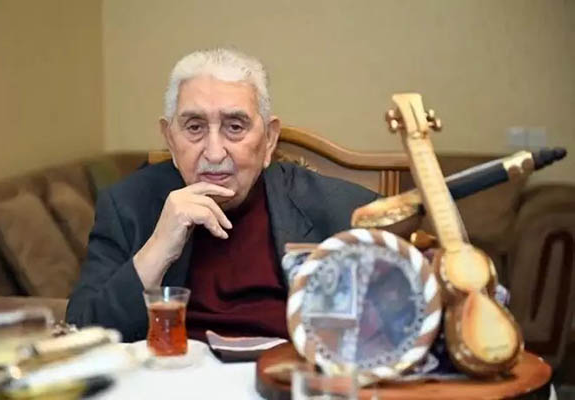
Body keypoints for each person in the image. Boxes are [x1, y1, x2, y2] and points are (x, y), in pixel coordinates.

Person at [66, 48, 378, 342]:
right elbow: (81, 332)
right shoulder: (126, 205)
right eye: (195, 127)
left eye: (235, 127)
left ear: (269, 140)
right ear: (170, 139)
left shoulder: (342, 209)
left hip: (278, 373)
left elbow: (388, 328)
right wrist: (158, 247)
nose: (214, 153)